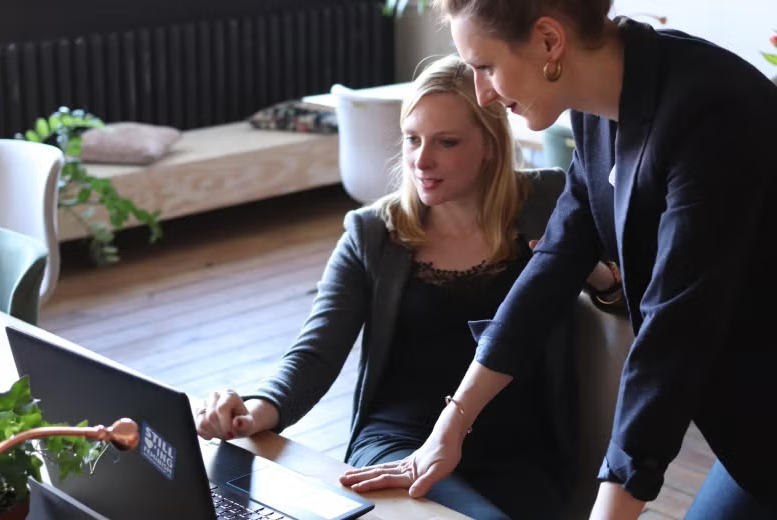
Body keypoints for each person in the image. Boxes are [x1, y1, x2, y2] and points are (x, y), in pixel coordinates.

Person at [339, 1, 777, 519]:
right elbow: (553, 264)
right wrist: (449, 429)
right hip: (752, 426)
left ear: (549, 41)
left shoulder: (710, 111)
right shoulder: (600, 111)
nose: (482, 92)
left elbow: (673, 336)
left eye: (486, 67)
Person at [197, 53, 582, 519]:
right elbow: (315, 353)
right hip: (396, 442)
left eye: (446, 142)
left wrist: (600, 273)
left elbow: (622, 300)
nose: (422, 159)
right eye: (412, 139)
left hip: (518, 448)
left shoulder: (548, 200)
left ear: (490, 146)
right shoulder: (372, 234)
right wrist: (258, 408)